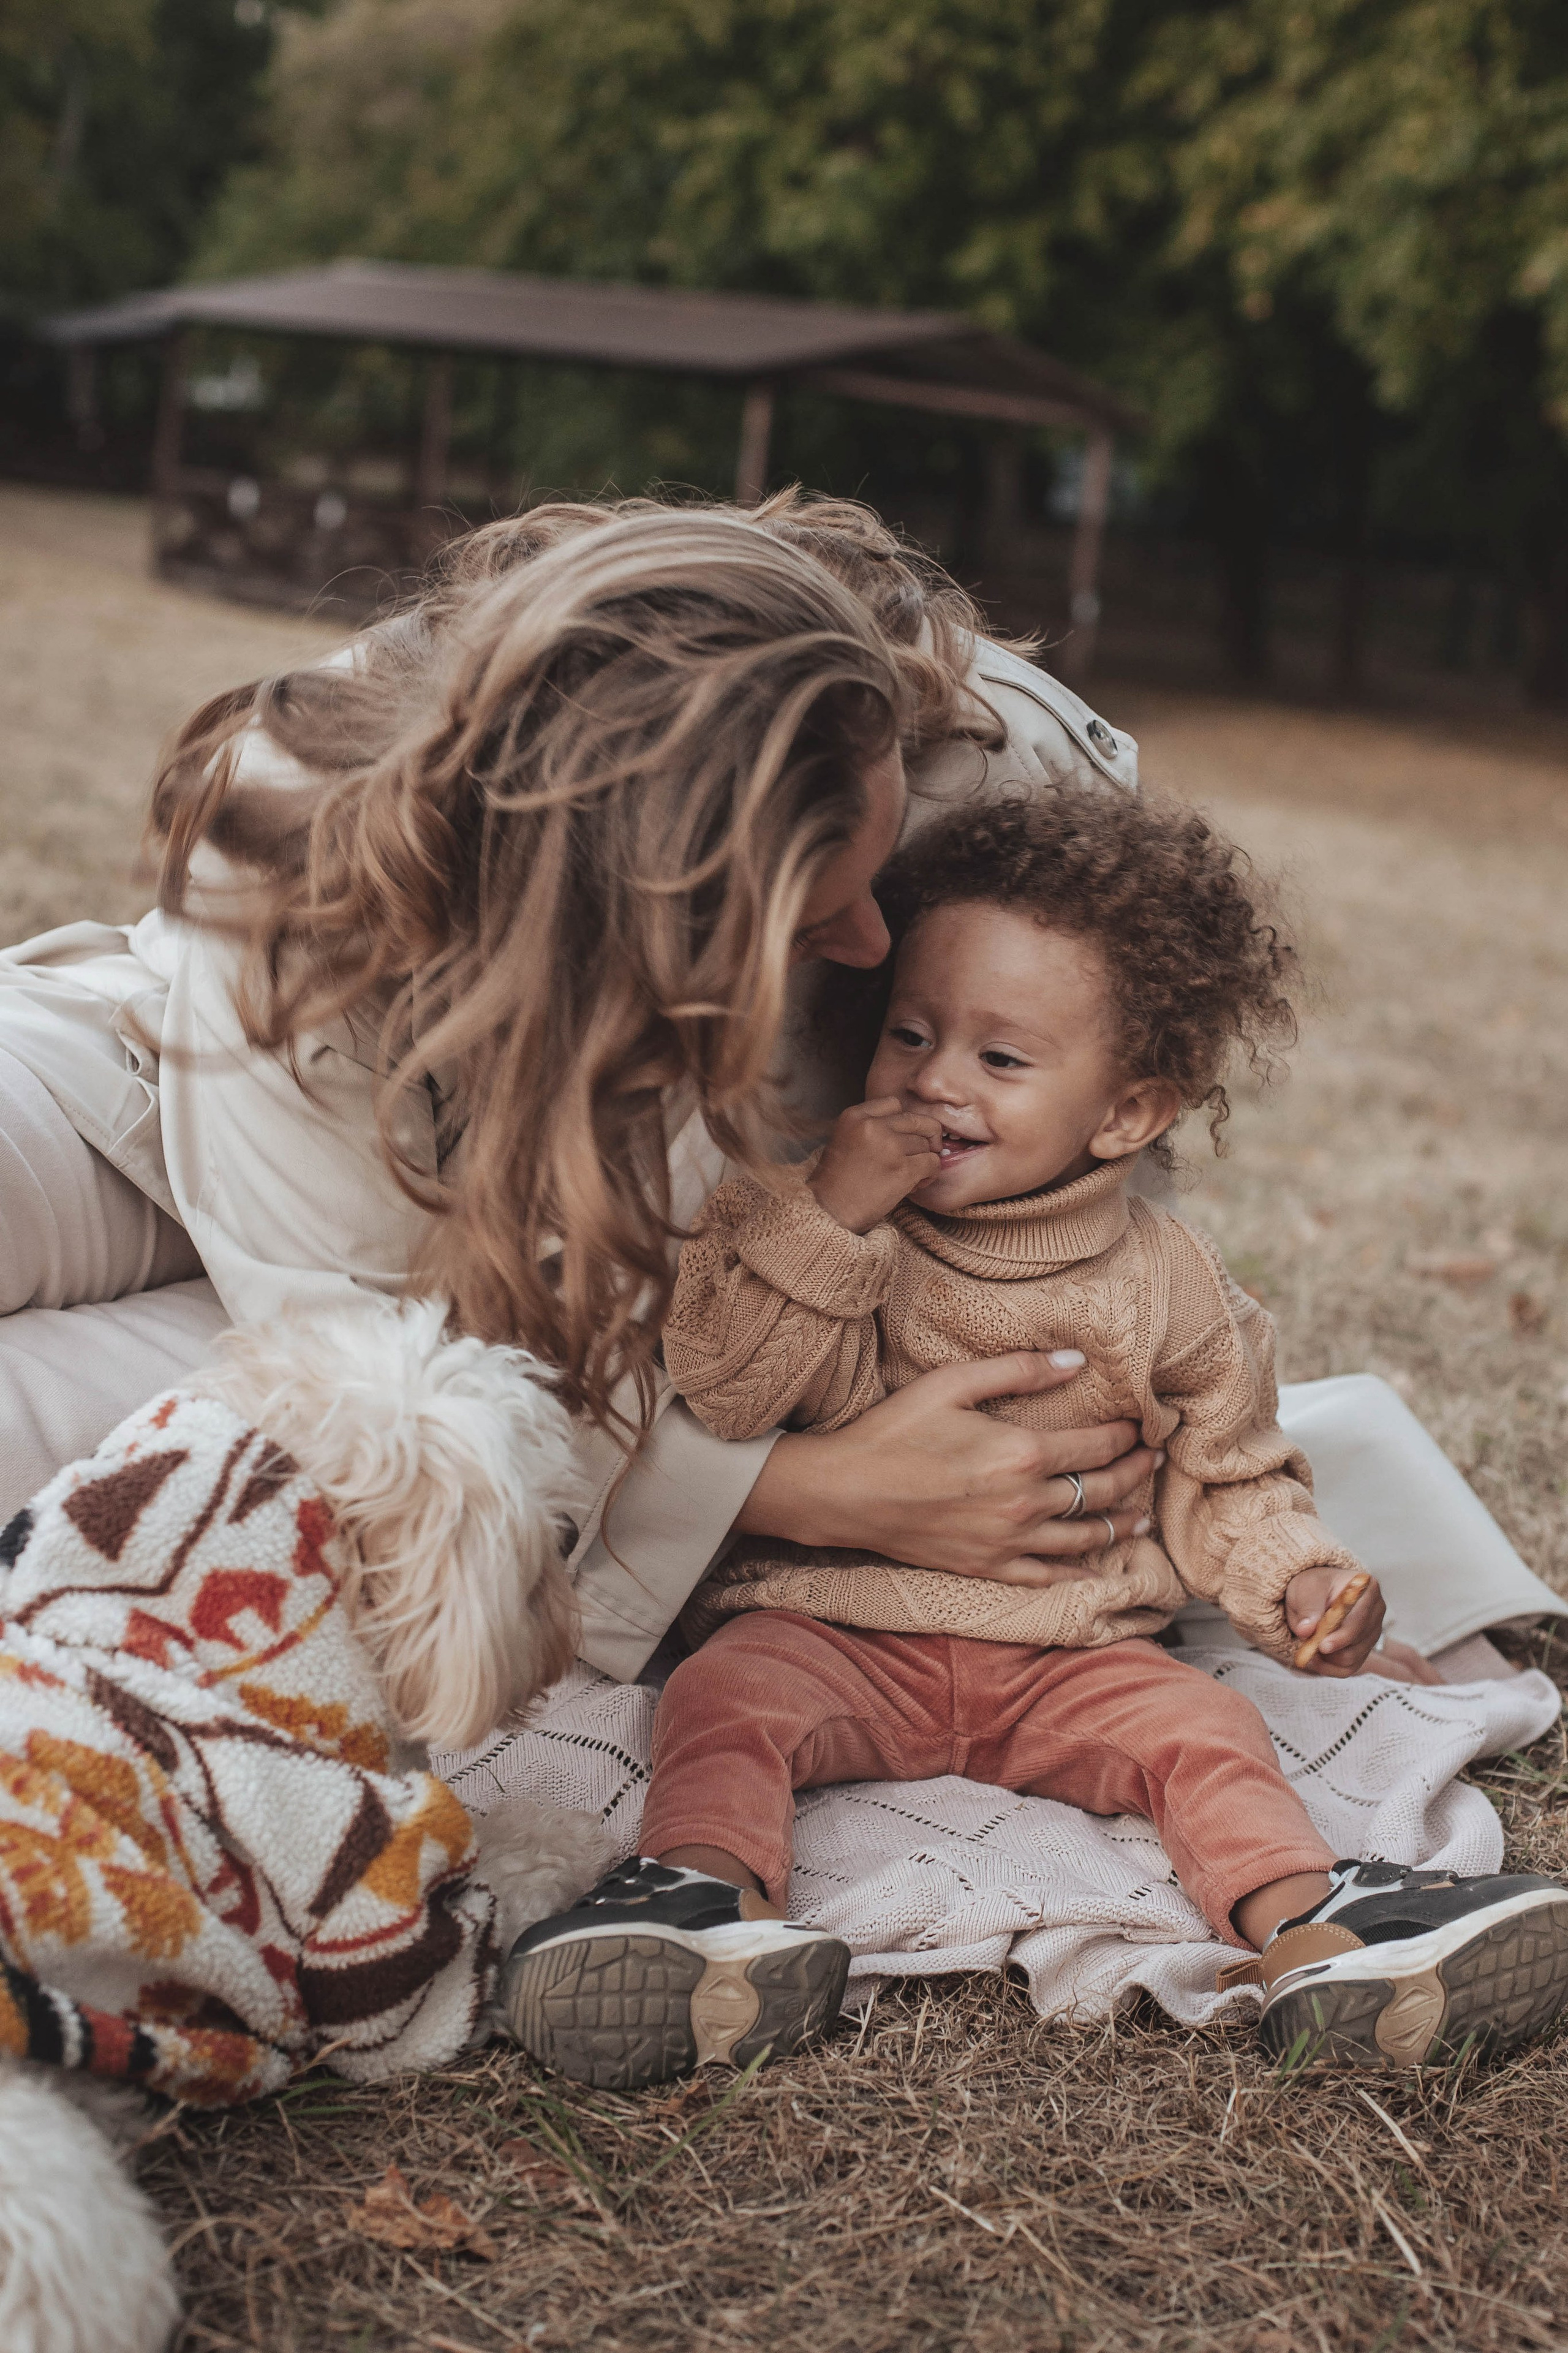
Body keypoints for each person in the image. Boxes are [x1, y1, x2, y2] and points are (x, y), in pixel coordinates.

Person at [0, 493, 1556, 1685]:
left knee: (99, 1452)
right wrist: (809, 1493)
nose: (871, 945)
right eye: (807, 923)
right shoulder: (305, 840)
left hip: (589, 1331)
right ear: (626, 922)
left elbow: (1042, 1208)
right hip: (174, 1114)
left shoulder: (990, 769)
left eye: (874, 872)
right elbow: (358, 1331)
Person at [499, 792, 1568, 2087]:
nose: (935, 1079)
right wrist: (832, 1219)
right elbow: (725, 1392)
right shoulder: (800, 1219)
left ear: (1122, 1113)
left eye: (1000, 1061)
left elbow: (1225, 1471)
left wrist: (1291, 1578)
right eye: (910, 1033)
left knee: (1203, 1727)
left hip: (1069, 1655)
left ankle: (1318, 1927)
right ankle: (697, 1904)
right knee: (723, 1698)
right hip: (835, 1630)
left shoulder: (1167, 1281)